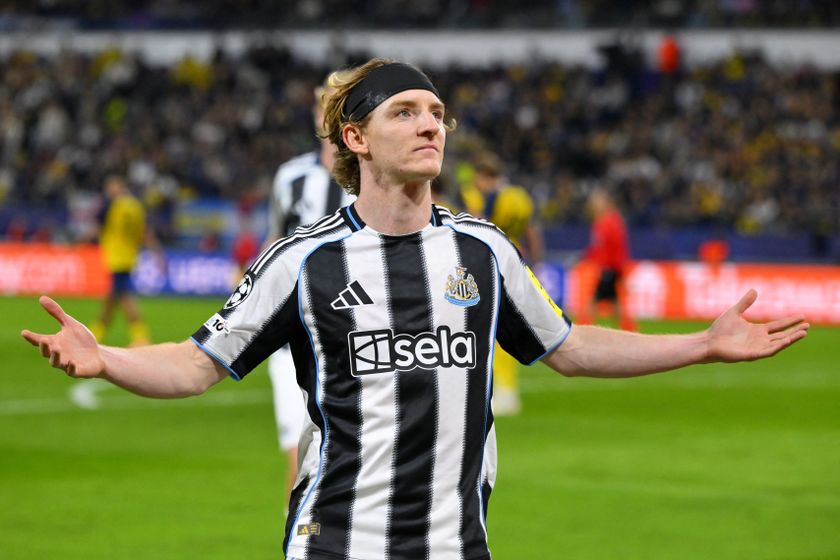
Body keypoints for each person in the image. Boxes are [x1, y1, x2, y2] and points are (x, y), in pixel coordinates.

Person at [22, 58, 809, 560]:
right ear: (355, 137)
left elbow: (567, 346)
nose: (430, 123)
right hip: (337, 545)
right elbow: (196, 365)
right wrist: (109, 360)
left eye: (437, 113)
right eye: (406, 110)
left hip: (458, 545)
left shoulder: (483, 250)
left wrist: (700, 344)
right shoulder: (303, 261)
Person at [264, 72, 354, 505]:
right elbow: (274, 244)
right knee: (300, 457)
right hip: (292, 339)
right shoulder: (291, 178)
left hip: (354, 340)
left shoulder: (375, 182)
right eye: (327, 107)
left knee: (344, 459)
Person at [459, 150, 544, 415]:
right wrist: (536, 262)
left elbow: (479, 224)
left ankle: (494, 389)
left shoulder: (482, 197)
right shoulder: (519, 196)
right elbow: (533, 230)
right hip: (516, 257)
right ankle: (508, 390)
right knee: (510, 324)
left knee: (486, 327)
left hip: (490, 260)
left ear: (484, 175)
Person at [87, 175, 154, 346]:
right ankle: (96, 332)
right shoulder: (136, 206)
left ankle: (140, 336)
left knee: (123, 296)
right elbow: (144, 231)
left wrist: (81, 240)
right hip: (129, 255)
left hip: (116, 255)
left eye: (111, 187)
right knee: (112, 296)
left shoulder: (113, 205)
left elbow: (98, 223)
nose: (109, 191)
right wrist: (156, 251)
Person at [579, 187, 637, 331]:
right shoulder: (603, 221)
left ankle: (584, 329)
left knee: (593, 301)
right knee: (615, 304)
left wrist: (618, 268)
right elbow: (598, 248)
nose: (593, 205)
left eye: (596, 202)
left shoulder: (610, 222)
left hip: (610, 269)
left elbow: (618, 247)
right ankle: (630, 331)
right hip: (610, 268)